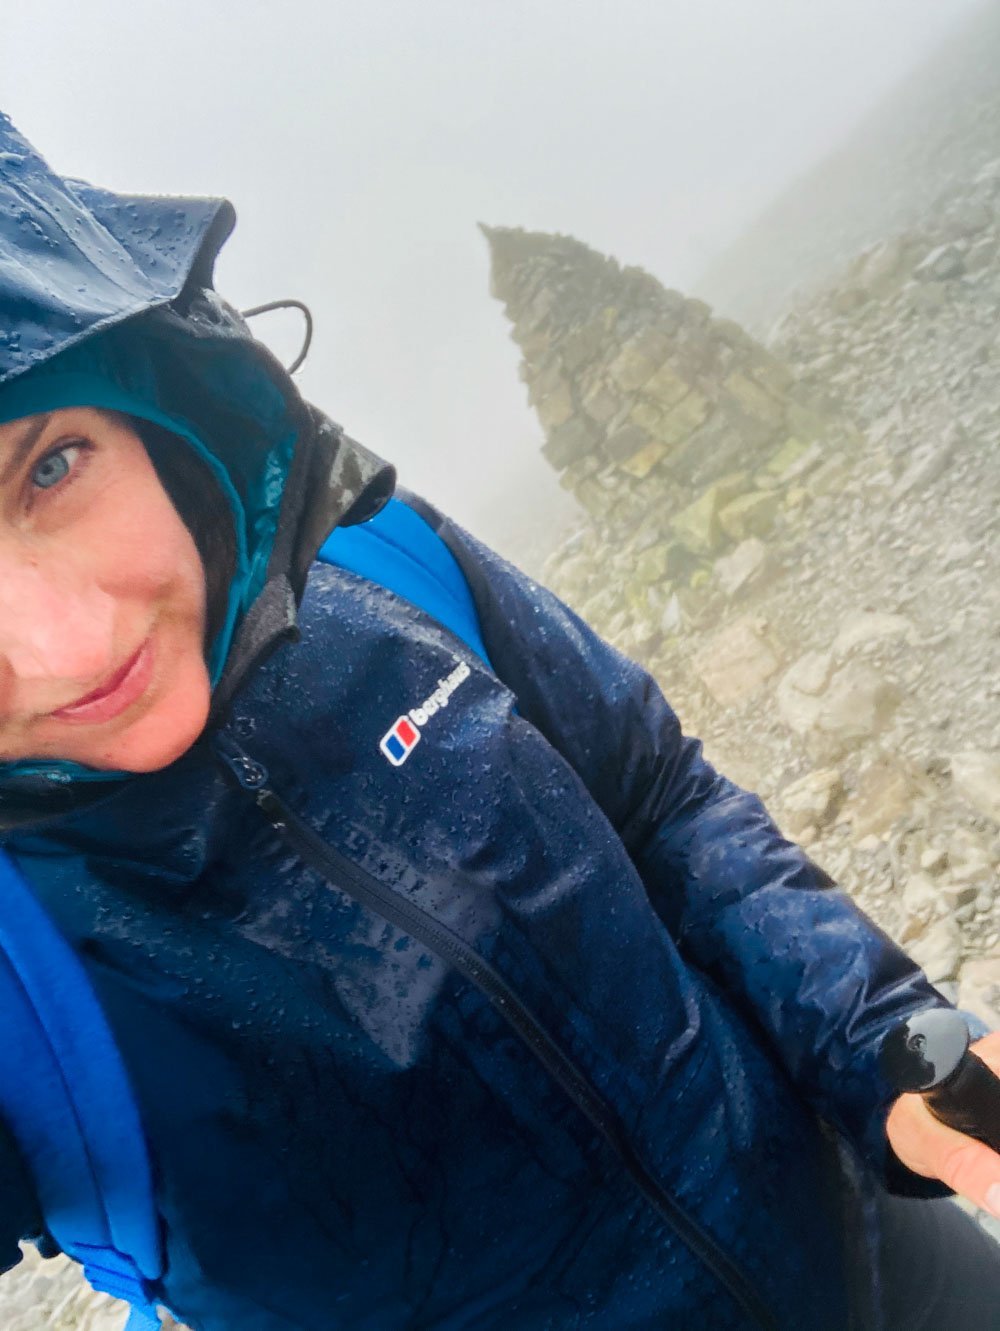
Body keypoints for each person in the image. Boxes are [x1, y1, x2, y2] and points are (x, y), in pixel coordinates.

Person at [0, 111, 999, 1331]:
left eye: (51, 467)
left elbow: (655, 799)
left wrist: (881, 1042)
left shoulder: (376, 554)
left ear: (153, 396)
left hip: (882, 1249)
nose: (67, 644)